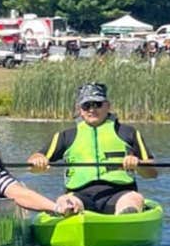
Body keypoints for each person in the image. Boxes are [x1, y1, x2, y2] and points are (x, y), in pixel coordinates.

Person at [27, 82, 156, 215]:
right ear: (80, 110)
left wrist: (138, 164)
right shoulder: (65, 136)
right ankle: (70, 213)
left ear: (107, 106)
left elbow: (152, 173)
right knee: (64, 201)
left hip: (120, 193)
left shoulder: (129, 133)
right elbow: (33, 162)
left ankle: (126, 218)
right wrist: (37, 161)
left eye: (97, 104)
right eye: (86, 106)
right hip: (79, 195)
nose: (91, 110)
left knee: (133, 199)